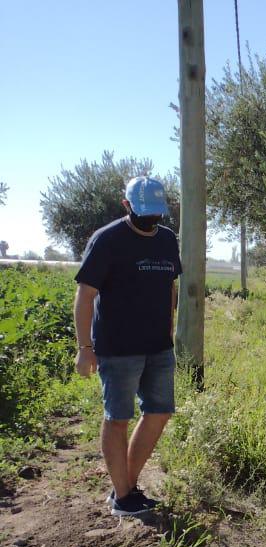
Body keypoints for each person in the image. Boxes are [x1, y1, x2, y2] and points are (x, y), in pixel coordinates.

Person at [73, 177, 182, 517]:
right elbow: (85, 296)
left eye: (156, 213)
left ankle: (124, 490)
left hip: (159, 347)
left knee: (159, 412)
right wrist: (84, 347)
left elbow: (170, 288)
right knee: (118, 417)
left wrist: (170, 328)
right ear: (127, 206)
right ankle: (124, 497)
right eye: (144, 212)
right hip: (118, 349)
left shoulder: (167, 239)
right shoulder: (107, 240)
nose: (151, 220)